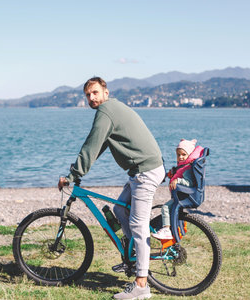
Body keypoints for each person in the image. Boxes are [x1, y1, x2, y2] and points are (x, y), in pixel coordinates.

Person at [57, 77, 164, 299]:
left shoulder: (106, 111)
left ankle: (141, 286)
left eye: (95, 92)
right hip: (142, 170)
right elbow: (99, 146)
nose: (91, 98)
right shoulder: (112, 109)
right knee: (119, 210)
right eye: (87, 95)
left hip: (145, 171)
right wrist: (80, 171)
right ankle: (133, 255)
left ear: (105, 91)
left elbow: (91, 145)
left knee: (138, 224)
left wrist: (73, 175)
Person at [151, 139, 200, 240]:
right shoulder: (183, 166)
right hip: (180, 196)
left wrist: (177, 180)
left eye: (183, 154)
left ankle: (166, 230)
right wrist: (173, 174)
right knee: (170, 210)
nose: (180, 157)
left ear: (189, 155)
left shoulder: (187, 169)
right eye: (178, 155)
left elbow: (189, 182)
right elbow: (179, 173)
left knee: (165, 208)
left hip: (183, 197)